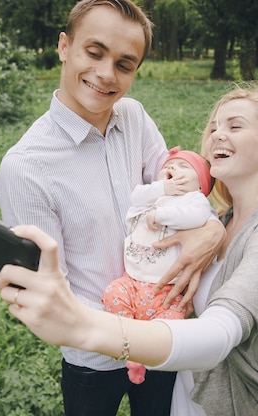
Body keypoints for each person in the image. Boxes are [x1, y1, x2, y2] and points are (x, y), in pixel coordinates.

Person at [0, 84, 258, 415]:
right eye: (213, 126)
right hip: (179, 396)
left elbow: (218, 335)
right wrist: (213, 228)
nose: (217, 135)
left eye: (234, 126)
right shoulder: (224, 219)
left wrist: (82, 326)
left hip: (223, 406)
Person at [0, 1, 225, 415]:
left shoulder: (133, 117)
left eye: (124, 64)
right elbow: (52, 292)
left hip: (162, 330)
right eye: (94, 52)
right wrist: (121, 332)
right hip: (93, 355)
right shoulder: (26, 167)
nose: (106, 74)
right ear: (64, 46)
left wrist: (212, 228)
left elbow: (180, 189)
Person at [101, 146, 216, 384]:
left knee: (172, 325)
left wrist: (161, 215)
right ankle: (129, 346)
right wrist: (163, 188)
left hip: (167, 291)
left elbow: (196, 216)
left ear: (201, 185)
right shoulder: (152, 196)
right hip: (131, 281)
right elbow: (136, 197)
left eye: (184, 166)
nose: (173, 168)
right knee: (113, 294)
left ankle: (141, 356)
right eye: (169, 166)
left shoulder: (194, 200)